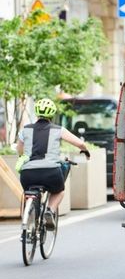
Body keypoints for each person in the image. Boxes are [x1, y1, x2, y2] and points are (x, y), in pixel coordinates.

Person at [17, 98, 90, 229]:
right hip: (50, 172)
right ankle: (50, 210)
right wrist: (85, 151)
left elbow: (20, 149)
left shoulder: (25, 129)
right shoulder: (58, 129)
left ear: (37, 113)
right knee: (59, 191)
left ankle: (29, 213)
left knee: (29, 191)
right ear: (52, 114)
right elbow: (80, 143)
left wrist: (23, 157)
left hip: (28, 173)